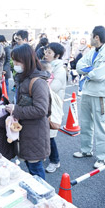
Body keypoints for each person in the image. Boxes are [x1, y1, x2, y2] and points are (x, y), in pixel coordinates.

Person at [74, 26, 105, 168]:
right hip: (87, 91)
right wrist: (91, 70)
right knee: (86, 123)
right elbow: (79, 65)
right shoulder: (92, 51)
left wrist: (87, 72)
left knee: (100, 126)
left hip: (100, 94)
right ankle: (86, 150)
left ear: (96, 37)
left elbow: (99, 75)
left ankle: (101, 157)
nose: (89, 39)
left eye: (91, 36)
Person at [5, 44, 50, 179]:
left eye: (17, 61)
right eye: (14, 61)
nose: (15, 64)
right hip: (27, 131)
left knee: (36, 169)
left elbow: (41, 109)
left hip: (35, 133)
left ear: (27, 61)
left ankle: (43, 196)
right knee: (32, 168)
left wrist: (16, 109)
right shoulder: (23, 77)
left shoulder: (37, 82)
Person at [43, 42, 66, 173]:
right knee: (44, 133)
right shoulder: (46, 66)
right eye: (46, 51)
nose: (46, 54)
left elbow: (53, 87)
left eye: (49, 52)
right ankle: (46, 155)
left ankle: (55, 160)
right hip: (45, 103)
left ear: (57, 55)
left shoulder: (60, 70)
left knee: (50, 135)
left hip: (52, 106)